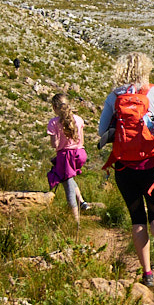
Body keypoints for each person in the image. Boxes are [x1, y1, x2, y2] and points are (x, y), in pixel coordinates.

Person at [99, 52, 154, 285]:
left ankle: (148, 274)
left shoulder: (114, 97)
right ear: (146, 69)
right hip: (153, 166)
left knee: (137, 219)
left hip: (124, 168)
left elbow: (102, 131)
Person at [46, 93, 89, 224]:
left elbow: (55, 144)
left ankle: (76, 221)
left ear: (54, 107)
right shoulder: (78, 119)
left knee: (67, 186)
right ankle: (82, 202)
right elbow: (81, 140)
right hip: (80, 153)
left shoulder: (54, 122)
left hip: (66, 156)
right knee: (68, 178)